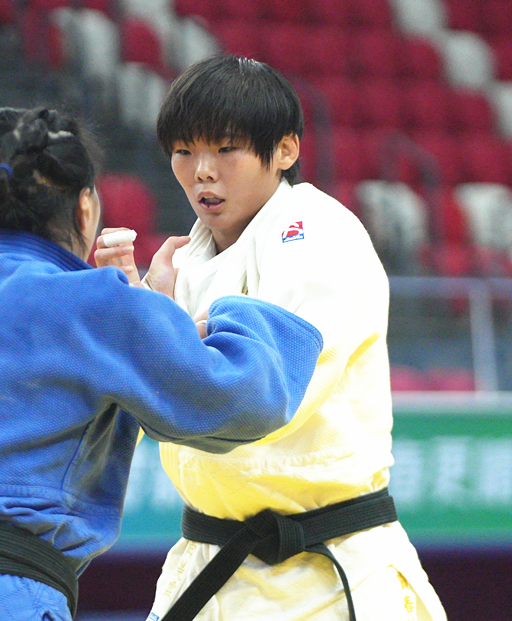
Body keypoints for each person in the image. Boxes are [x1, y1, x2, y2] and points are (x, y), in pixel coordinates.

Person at [0, 106, 323, 621]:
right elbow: (245, 399)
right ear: (85, 208)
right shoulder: (97, 303)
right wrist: (248, 300)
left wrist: (149, 319)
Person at [95, 56, 447, 621]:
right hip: (210, 564)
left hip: (327, 574)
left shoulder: (314, 232)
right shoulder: (187, 259)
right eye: (184, 151)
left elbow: (248, 399)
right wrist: (138, 317)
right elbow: (142, 401)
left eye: (225, 149)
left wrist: (155, 336)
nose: (202, 171)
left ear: (284, 150)